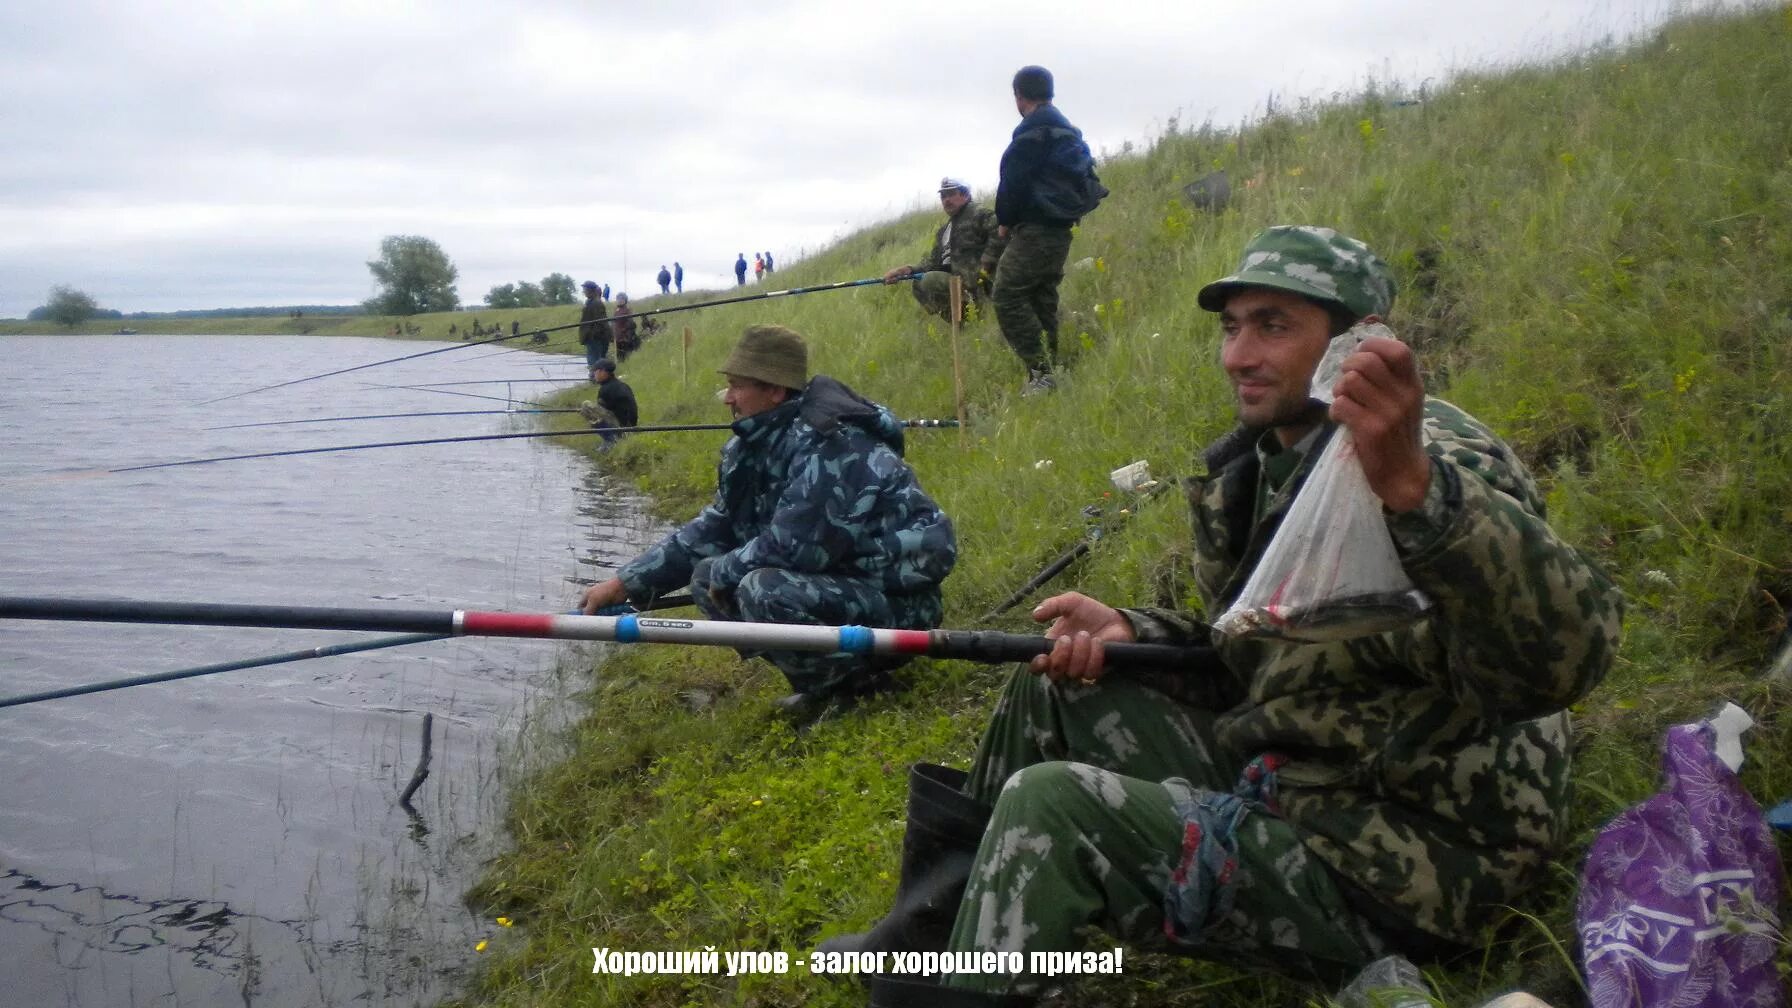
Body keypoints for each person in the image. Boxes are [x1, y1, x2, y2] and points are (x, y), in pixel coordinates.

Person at [829, 226, 1624, 1005]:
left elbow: (1558, 664)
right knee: (1051, 683)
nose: (1240, 356)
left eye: (1275, 326)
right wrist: (1136, 633)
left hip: (1413, 866)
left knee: (1053, 804)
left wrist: (1418, 488)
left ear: (1360, 344)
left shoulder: (1428, 456)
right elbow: (1258, 659)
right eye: (1234, 327)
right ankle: (934, 941)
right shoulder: (1262, 467)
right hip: (1308, 786)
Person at [578, 325, 958, 721]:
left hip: (902, 605)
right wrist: (624, 583)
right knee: (710, 576)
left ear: (775, 391)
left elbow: (795, 549)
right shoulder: (756, 443)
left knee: (760, 588)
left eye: (737, 386)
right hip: (842, 584)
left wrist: (725, 574)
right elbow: (716, 526)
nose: (728, 398)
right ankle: (825, 681)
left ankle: (853, 687)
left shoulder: (832, 445)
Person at [992, 65, 1107, 396]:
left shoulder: (1031, 135)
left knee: (1007, 294)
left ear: (1019, 96)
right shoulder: (1068, 133)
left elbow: (1012, 185)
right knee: (1042, 296)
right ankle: (1053, 370)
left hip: (1035, 228)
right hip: (1062, 228)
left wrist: (1004, 221)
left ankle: (1041, 373)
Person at [883, 177, 1008, 321]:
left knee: (929, 280)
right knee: (919, 283)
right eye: (943, 196)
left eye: (951, 194)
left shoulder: (979, 214)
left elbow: (1001, 232)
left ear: (965, 195)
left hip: (983, 285)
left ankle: (980, 311)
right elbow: (933, 263)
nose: (946, 200)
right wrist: (904, 270)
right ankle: (964, 323)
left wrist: (987, 261)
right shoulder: (944, 231)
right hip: (959, 285)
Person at [581, 357, 639, 447]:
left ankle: (611, 440)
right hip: (630, 425)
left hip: (621, 427)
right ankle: (616, 438)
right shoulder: (622, 385)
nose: (594, 374)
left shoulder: (606, 389)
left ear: (603, 372)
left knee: (586, 406)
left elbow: (600, 411)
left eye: (596, 371)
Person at [578, 281, 609, 367]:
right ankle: (594, 377)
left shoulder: (596, 303)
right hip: (590, 336)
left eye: (585, 289)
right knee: (592, 359)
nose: (583, 291)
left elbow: (602, 321)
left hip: (595, 337)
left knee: (594, 360)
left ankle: (594, 378)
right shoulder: (589, 302)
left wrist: (593, 333)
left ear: (590, 290)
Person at [611, 293, 640, 361]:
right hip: (617, 337)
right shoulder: (616, 311)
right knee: (619, 356)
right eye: (618, 299)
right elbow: (614, 323)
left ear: (625, 300)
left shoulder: (627, 310)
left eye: (622, 299)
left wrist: (625, 333)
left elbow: (631, 324)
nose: (619, 300)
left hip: (624, 338)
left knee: (625, 356)